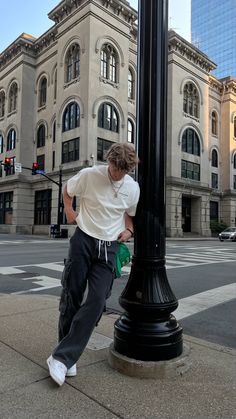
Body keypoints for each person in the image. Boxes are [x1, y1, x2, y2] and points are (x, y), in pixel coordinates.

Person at [47, 142, 140, 386]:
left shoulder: (132, 188)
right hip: (84, 240)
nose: (117, 173)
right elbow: (67, 189)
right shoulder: (90, 175)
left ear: (129, 169)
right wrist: (69, 210)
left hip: (108, 247)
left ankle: (62, 356)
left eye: (123, 170)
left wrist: (129, 229)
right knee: (72, 295)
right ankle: (66, 356)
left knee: (98, 300)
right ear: (108, 161)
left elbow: (128, 213)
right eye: (114, 167)